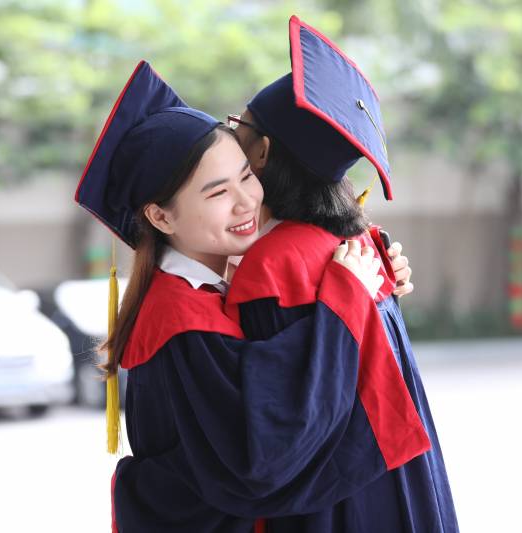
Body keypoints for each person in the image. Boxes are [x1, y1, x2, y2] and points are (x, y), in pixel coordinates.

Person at [76, 60, 431, 533]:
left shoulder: (218, 281)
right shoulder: (178, 318)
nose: (247, 201)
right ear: (161, 218)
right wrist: (347, 299)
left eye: (246, 176)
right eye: (217, 193)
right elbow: (262, 452)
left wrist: (377, 285)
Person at [224, 15, 459, 532]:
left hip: (337, 498)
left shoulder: (274, 265)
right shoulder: (360, 244)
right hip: (402, 481)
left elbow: (277, 421)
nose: (229, 136)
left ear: (262, 152)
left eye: (237, 126)